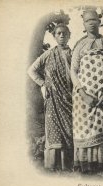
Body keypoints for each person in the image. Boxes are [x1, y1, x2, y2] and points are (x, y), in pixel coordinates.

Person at [71, 10, 103, 175]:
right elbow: (73, 71)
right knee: (86, 129)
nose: (91, 23)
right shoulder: (79, 45)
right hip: (84, 98)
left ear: (99, 22)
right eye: (87, 21)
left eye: (94, 20)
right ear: (84, 25)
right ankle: (86, 166)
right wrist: (83, 94)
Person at [27, 23, 73, 171]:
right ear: (54, 36)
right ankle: (52, 166)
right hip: (53, 98)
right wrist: (42, 84)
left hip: (69, 99)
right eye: (58, 33)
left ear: (69, 35)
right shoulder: (49, 54)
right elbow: (32, 70)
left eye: (64, 33)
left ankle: (67, 166)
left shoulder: (73, 53)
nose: (61, 36)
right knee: (54, 131)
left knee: (69, 130)